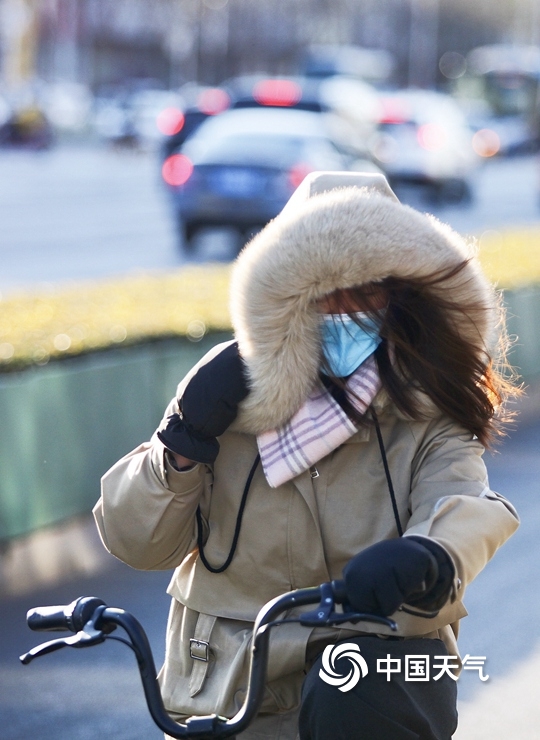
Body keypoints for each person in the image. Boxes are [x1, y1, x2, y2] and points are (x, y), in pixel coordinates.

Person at [94, 171, 520, 739]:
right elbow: (136, 542)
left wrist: (426, 557)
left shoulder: (428, 404)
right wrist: (180, 443)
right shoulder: (224, 393)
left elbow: (465, 502)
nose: (344, 310)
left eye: (367, 290)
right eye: (322, 291)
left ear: (402, 298)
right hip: (231, 693)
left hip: (374, 688)